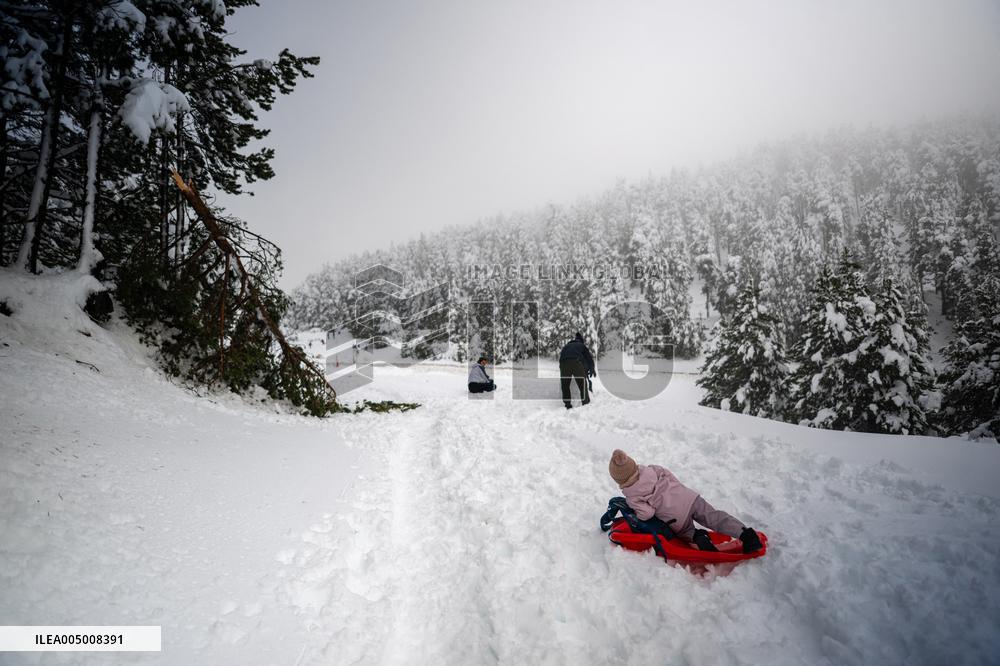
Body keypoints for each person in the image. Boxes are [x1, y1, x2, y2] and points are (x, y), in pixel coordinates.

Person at [608, 449, 763, 553]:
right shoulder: (653, 469)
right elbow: (671, 477)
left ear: (619, 480)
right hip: (689, 498)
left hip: (675, 516)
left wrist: (638, 514)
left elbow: (648, 513)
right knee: (714, 516)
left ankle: (699, 537)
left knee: (686, 533)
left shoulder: (632, 496)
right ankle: (746, 535)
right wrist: (678, 490)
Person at [558, 332, 595, 409]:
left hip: (563, 363)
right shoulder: (581, 345)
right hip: (575, 362)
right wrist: (592, 369)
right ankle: (586, 404)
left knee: (565, 385)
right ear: (581, 341)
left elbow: (561, 358)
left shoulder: (566, 346)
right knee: (582, 383)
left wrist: (562, 368)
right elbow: (588, 358)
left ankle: (567, 405)